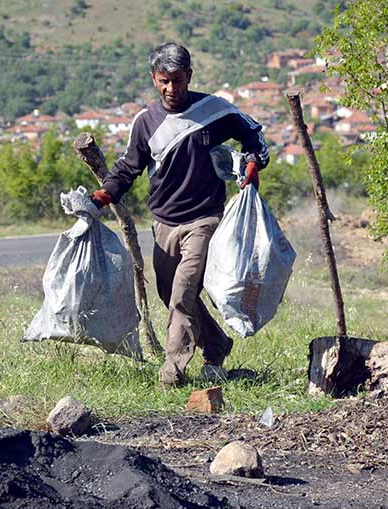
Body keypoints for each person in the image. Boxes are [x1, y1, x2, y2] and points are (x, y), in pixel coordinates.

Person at [91, 42, 269, 386]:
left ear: (189, 76)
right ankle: (216, 345)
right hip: (163, 224)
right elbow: (129, 167)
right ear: (153, 80)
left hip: (205, 219)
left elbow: (254, 135)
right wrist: (104, 195)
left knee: (183, 294)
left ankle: (172, 370)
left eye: (177, 80)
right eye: (163, 81)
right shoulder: (145, 122)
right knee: (166, 292)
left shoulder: (214, 111)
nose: (171, 89)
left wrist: (252, 162)